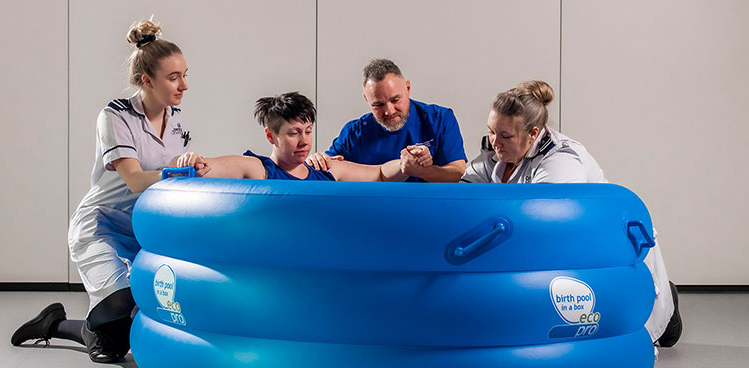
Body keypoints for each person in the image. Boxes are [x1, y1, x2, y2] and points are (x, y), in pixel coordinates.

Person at [10, 19, 195, 363]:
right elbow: (136, 180)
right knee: (123, 304)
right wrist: (179, 172)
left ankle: (61, 324)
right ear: (147, 81)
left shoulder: (179, 120)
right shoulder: (115, 116)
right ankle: (66, 326)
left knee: (118, 340)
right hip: (99, 227)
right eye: (173, 78)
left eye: (185, 74)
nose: (184, 85)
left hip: (142, 231)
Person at [461, 80, 681, 347]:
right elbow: (465, 191)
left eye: (505, 136)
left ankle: (669, 302)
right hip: (561, 249)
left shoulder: (562, 159)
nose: (495, 142)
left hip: (603, 246)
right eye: (491, 131)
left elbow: (540, 219)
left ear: (533, 134)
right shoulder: (497, 150)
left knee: (660, 333)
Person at [178, 92, 420, 181]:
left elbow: (379, 174)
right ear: (270, 136)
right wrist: (195, 162)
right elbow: (209, 166)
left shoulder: (326, 170)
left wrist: (406, 163)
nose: (304, 140)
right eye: (294, 133)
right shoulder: (258, 169)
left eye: (308, 131)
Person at [305, 58, 466, 182]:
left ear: (408, 89)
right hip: (370, 215)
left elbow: (457, 173)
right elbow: (327, 168)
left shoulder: (439, 119)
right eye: (378, 104)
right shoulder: (354, 133)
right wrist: (316, 160)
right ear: (367, 100)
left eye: (396, 100)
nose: (389, 111)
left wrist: (422, 171)